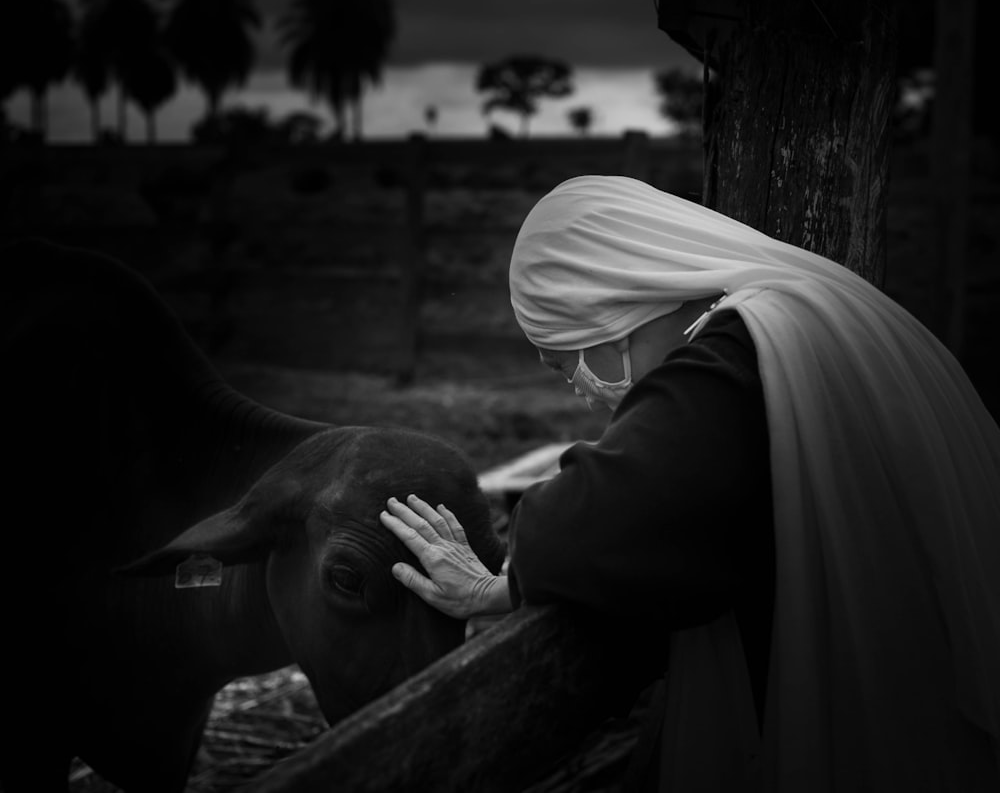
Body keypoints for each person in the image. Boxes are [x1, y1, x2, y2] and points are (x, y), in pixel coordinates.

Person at [379, 174, 1000, 791]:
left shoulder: (741, 349)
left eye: (566, 362)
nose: (582, 391)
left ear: (609, 311)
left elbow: (594, 522)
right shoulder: (820, 308)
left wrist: (498, 585)